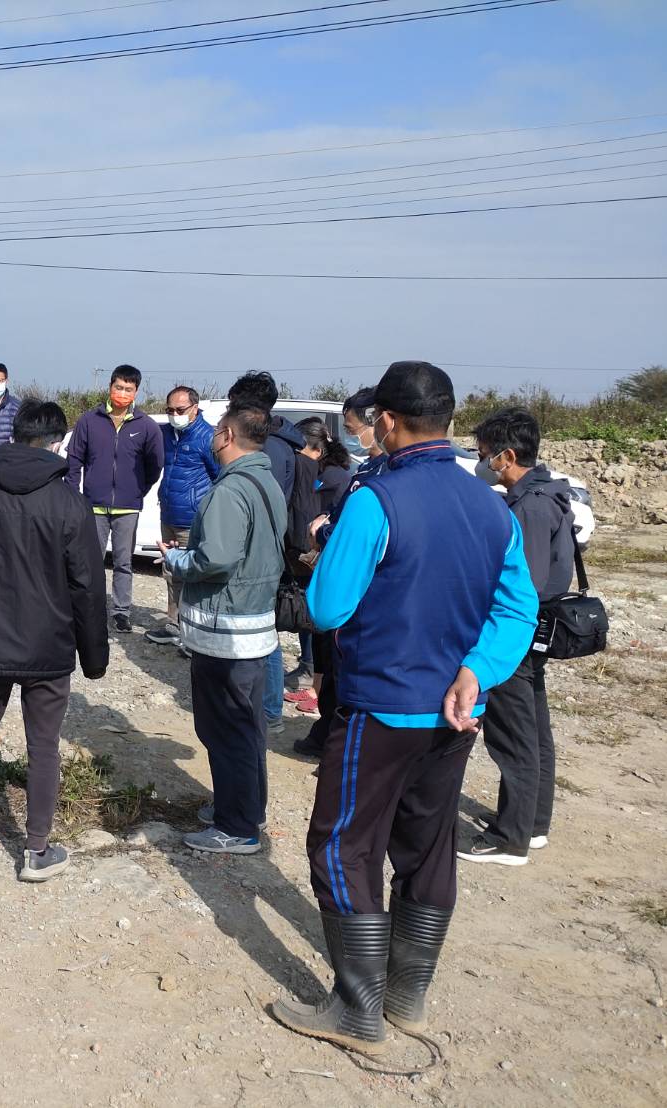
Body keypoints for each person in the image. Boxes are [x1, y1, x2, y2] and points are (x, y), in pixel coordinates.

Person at [272, 361, 537, 1053]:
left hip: (380, 708)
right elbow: (517, 608)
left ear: (386, 421)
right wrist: (477, 672)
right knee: (427, 849)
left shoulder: (373, 500)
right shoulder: (490, 506)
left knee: (341, 845)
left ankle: (356, 1010)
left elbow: (329, 606)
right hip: (454, 714)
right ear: (447, 420)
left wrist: (327, 556)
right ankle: (406, 998)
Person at [0, 402, 109, 882]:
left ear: (17, 435)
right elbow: (88, 587)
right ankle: (35, 851)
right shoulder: (69, 501)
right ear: (58, 441)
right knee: (44, 746)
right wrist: (94, 656)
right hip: (48, 648)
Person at [161, 405, 286, 855]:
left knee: (227, 731)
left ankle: (237, 827)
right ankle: (244, 809)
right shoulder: (265, 481)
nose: (212, 436)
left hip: (226, 634)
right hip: (251, 629)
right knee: (246, 730)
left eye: (216, 430)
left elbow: (216, 558)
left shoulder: (231, 489)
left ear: (227, 434)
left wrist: (176, 560)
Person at [458, 407, 574, 866]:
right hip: (534, 631)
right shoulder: (548, 494)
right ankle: (534, 823)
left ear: (506, 456)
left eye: (485, 454)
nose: (482, 462)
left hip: (515, 636)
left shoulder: (527, 507)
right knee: (534, 731)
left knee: (513, 736)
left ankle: (511, 838)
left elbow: (519, 586)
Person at [292, 388, 385, 758]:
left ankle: (340, 744)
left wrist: (323, 531)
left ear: (377, 421)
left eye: (352, 426)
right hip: (344, 587)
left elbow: (355, 531)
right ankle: (326, 732)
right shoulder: (368, 468)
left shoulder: (384, 475)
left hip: (362, 591)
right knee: (332, 662)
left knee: (348, 668)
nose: (350, 434)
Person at [226, 372, 306, 737]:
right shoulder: (284, 444)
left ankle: (268, 708)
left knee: (263, 633)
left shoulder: (264, 448)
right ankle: (267, 705)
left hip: (257, 551)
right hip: (269, 546)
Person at [65, 365, 164, 634]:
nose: (122, 393)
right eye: (118, 387)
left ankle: (121, 612)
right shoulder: (89, 420)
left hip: (127, 507)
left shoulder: (146, 426)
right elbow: (74, 460)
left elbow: (154, 465)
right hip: (93, 505)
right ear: (110, 387)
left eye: (128, 389)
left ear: (136, 392)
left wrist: (137, 491)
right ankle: (89, 609)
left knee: (123, 563)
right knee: (91, 561)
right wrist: (74, 495)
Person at [283, 417, 352, 712]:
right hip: (315, 558)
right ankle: (310, 677)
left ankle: (316, 689)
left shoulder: (333, 478)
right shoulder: (323, 472)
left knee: (319, 626)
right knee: (309, 623)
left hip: (324, 559)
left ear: (317, 450)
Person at [146, 385, 219, 650]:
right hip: (169, 513)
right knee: (171, 572)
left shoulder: (207, 437)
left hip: (193, 519)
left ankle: (194, 635)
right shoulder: (165, 434)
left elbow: (219, 477)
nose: (174, 414)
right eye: (169, 410)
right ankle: (173, 625)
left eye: (180, 410)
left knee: (193, 575)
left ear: (195, 409)